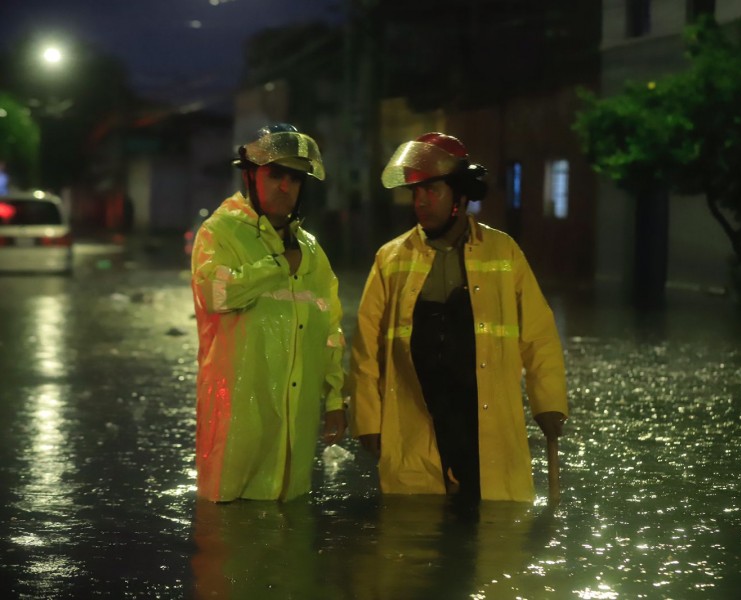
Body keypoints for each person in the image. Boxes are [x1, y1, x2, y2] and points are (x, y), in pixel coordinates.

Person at [348, 132, 568, 503]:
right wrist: (367, 420)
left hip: (485, 422)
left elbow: (538, 334)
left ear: (460, 195)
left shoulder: (503, 251)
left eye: (431, 190)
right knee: (415, 538)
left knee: (493, 543)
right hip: (417, 415)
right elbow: (365, 347)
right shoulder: (391, 258)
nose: (420, 201)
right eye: (415, 192)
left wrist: (549, 403)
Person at [191, 123, 346, 502]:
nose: (285, 187)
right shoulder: (219, 232)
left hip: (295, 428)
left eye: (294, 179)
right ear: (250, 176)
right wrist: (276, 263)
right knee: (228, 538)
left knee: (290, 536)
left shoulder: (311, 250)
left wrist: (336, 401)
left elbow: (330, 328)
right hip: (237, 422)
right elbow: (215, 293)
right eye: (275, 175)